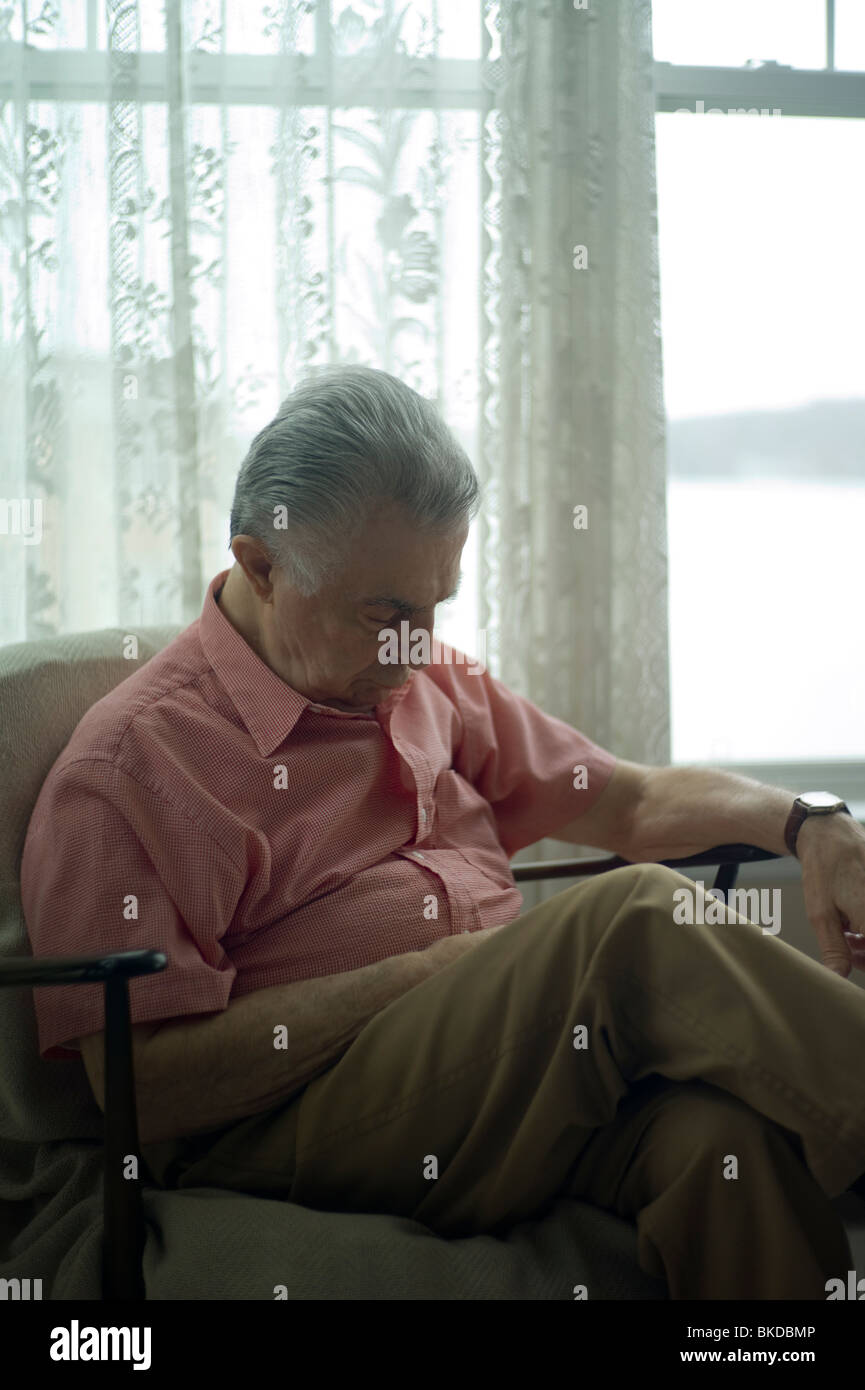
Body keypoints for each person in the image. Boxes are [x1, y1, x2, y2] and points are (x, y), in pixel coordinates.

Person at [20, 365, 865, 1300]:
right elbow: (149, 1089)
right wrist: (425, 973)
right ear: (262, 567)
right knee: (630, 918)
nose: (413, 652)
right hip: (284, 1125)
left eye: (434, 610)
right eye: (384, 615)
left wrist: (810, 822)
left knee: (720, 1148)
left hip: (488, 1087)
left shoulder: (425, 678)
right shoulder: (136, 769)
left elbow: (625, 804)